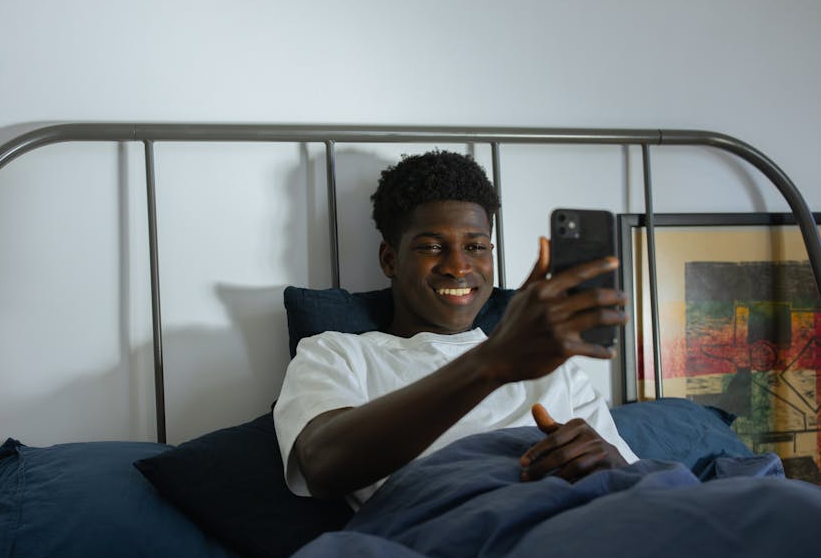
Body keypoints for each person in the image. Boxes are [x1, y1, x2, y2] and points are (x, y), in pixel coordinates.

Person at [273, 150, 638, 507]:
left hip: (585, 518)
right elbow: (322, 466)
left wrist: (606, 460)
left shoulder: (549, 363)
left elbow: (634, 483)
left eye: (476, 246)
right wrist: (491, 363)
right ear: (389, 259)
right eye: (432, 246)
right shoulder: (336, 353)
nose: (458, 266)